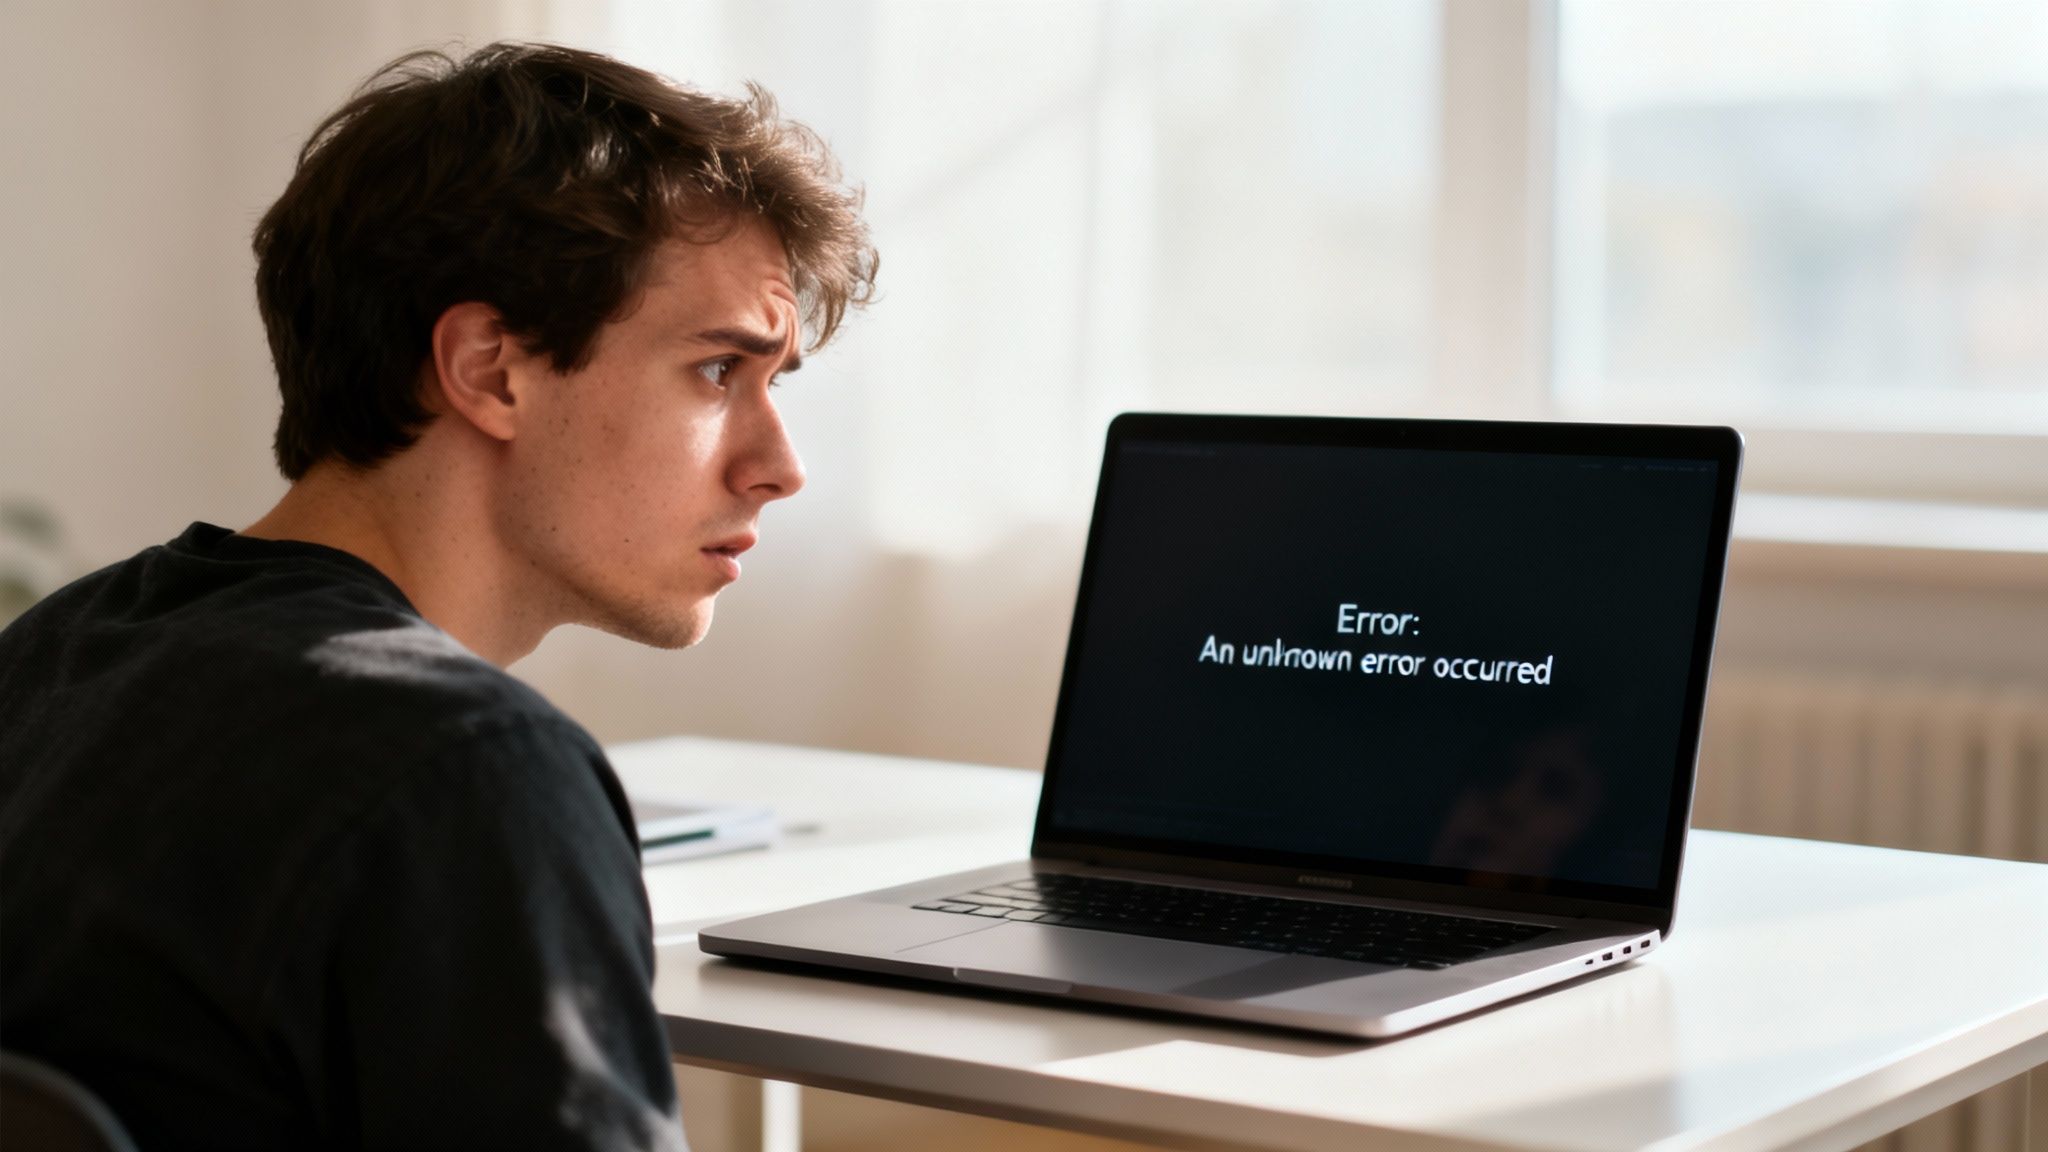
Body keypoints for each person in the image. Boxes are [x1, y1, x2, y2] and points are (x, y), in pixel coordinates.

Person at [0, 42, 875, 1150]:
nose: (779, 464)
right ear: (488, 370)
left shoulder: (54, 652)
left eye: (774, 386)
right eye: (717, 371)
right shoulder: (465, 768)